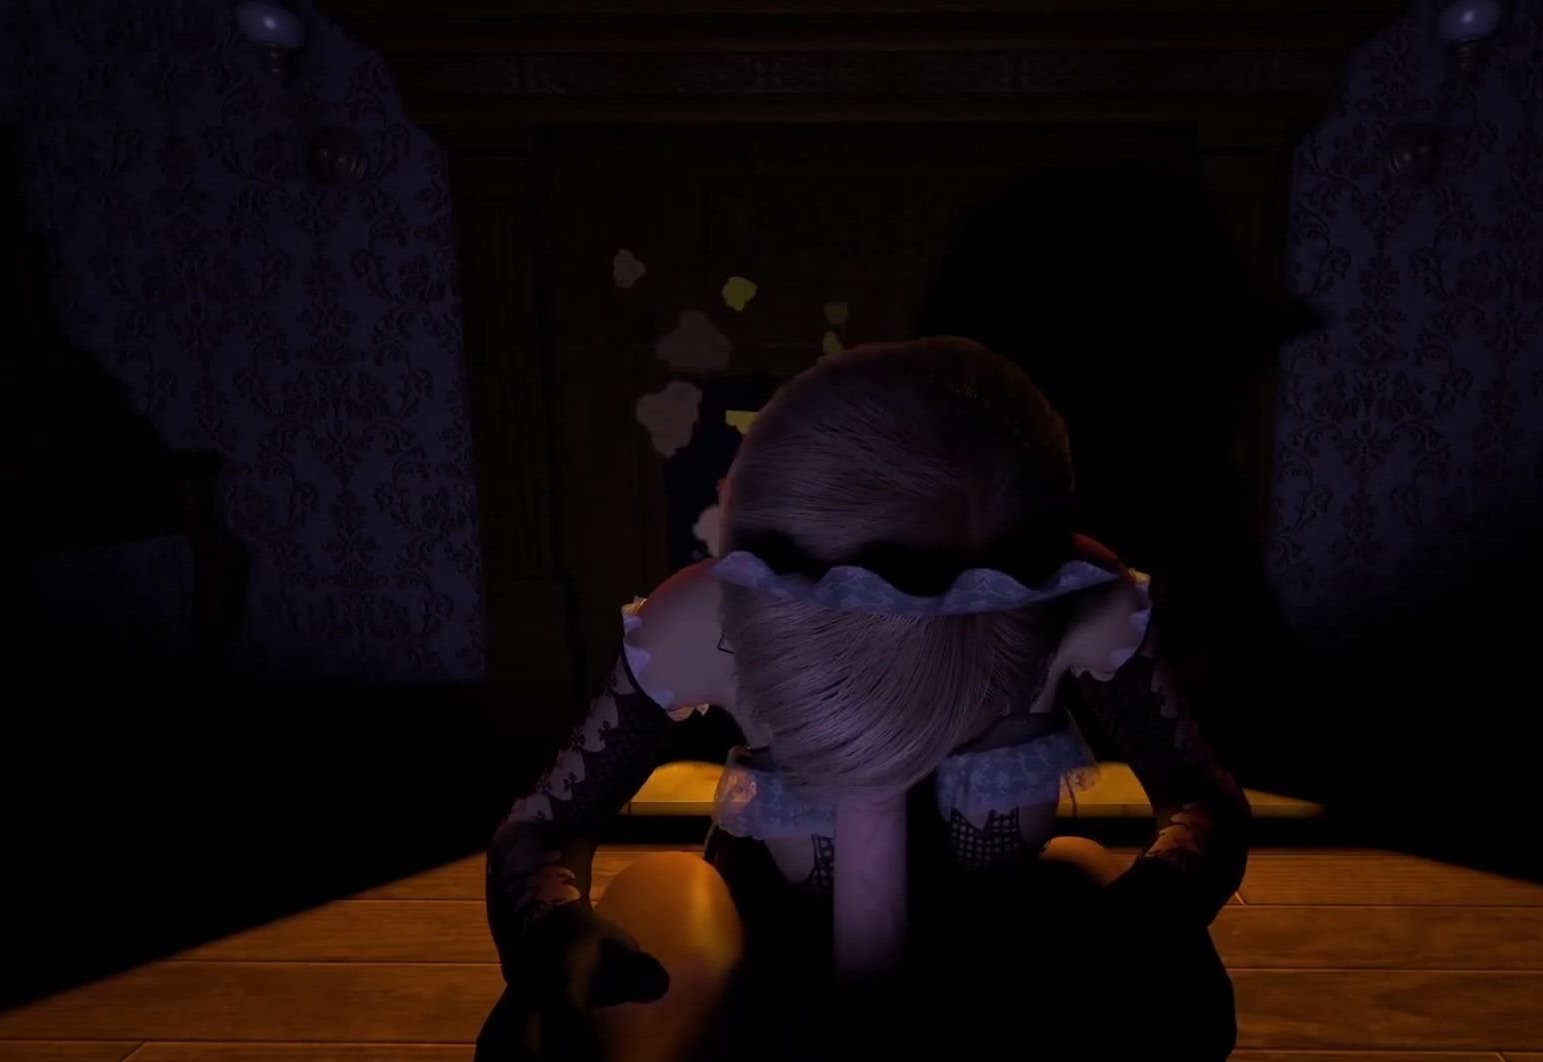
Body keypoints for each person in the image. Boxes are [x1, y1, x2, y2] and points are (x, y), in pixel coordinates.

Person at [476, 337, 1250, 1062]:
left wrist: (1158, 900)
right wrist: (556, 930)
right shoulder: (703, 618)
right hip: (762, 976)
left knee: (1110, 918)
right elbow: (545, 826)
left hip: (997, 962)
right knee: (675, 914)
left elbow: (1200, 797)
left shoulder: (1079, 597)